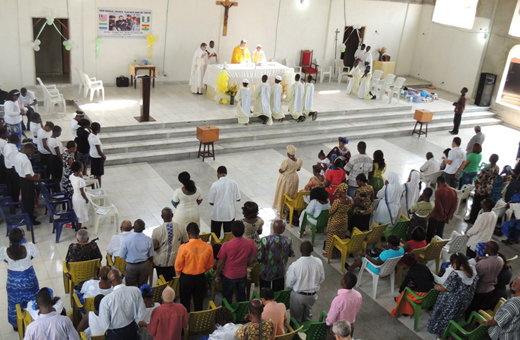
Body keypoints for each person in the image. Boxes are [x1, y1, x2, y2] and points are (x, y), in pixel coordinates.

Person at [427, 253, 478, 338]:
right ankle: (448, 332)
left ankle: (441, 334)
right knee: (453, 316)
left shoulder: (456, 274)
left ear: (454, 264)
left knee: (444, 316)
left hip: (451, 301)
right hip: (465, 299)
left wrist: (438, 288)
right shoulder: (472, 269)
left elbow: (447, 288)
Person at [0, 228, 39, 331]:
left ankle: (16, 325)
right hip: (29, 279)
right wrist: (26, 261)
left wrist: (12, 262)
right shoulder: (29, 247)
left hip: (13, 281)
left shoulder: (5, 250)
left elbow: (4, 259)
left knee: (14, 303)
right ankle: (33, 319)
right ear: (22, 238)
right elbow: (35, 255)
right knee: (32, 298)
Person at [175, 222, 213, 312]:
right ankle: (197, 321)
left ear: (188, 234)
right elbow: (210, 265)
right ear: (198, 232)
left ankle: (186, 321)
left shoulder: (184, 248)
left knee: (185, 301)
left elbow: (178, 266)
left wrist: (182, 275)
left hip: (186, 278)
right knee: (199, 301)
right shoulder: (208, 247)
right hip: (200, 278)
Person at [216, 221, 258, 302]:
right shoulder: (250, 242)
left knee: (227, 296)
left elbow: (220, 263)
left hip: (228, 275)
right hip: (242, 274)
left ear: (232, 233)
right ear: (243, 231)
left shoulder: (226, 245)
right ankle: (241, 312)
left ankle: (228, 312)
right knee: (241, 294)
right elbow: (253, 256)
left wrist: (218, 274)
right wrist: (247, 263)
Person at [98, 269, 144, 340]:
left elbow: (104, 325)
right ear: (122, 277)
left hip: (115, 334)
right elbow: (141, 313)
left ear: (110, 282)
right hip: (131, 330)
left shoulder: (106, 300)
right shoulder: (135, 291)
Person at [286, 241, 325, 323]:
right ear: (312, 250)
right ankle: (307, 332)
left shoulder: (295, 265)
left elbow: (289, 283)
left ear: (300, 250)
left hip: (298, 295)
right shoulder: (318, 262)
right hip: (312, 296)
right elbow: (322, 278)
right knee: (308, 316)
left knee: (296, 319)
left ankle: (296, 334)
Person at [466, 241, 504, 316]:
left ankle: (468, 322)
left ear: (489, 250)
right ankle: (475, 320)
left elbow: (474, 276)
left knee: (472, 308)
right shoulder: (500, 260)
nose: (484, 248)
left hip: (480, 289)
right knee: (480, 307)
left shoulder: (483, 263)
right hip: (490, 289)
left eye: (486, 247)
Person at [257, 220, 295, 292]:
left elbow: (259, 257)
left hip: (265, 272)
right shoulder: (288, 240)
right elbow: (291, 254)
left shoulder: (265, 240)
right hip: (279, 272)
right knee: (278, 294)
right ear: (282, 230)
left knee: (265, 294)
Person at [152, 207, 188, 282]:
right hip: (175, 260)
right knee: (172, 280)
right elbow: (186, 242)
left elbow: (154, 247)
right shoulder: (181, 228)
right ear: (172, 215)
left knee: (162, 281)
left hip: (160, 262)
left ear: (162, 217)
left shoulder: (156, 231)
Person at [208, 165, 241, 238]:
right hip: (229, 214)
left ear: (218, 173)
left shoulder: (215, 185)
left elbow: (211, 202)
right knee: (228, 236)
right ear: (226, 173)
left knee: (215, 236)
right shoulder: (233, 183)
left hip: (217, 214)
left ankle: (216, 248)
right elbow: (238, 198)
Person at [466, 154, 500, 224]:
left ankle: (472, 219)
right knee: (483, 206)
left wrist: (476, 184)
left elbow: (480, 179)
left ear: (490, 159)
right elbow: (495, 176)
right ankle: (479, 219)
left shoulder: (486, 169)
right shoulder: (497, 168)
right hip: (488, 188)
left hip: (481, 189)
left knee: (476, 205)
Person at [121, 219, 154, 287]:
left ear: (133, 227)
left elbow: (122, 255)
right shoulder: (148, 239)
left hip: (131, 267)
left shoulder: (127, 239)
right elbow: (151, 255)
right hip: (144, 266)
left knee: (130, 287)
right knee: (142, 287)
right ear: (144, 228)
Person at [14, 142, 41, 225]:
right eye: (32, 151)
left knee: (26, 199)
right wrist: (36, 179)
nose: (32, 153)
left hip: (21, 179)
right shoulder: (25, 160)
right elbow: (28, 175)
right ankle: (30, 219)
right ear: (28, 149)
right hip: (27, 181)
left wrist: (33, 174)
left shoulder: (18, 155)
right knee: (29, 200)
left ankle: (28, 216)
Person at [325, 183, 353, 258]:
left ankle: (330, 254)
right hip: (344, 221)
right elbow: (350, 208)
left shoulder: (337, 201)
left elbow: (331, 211)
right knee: (340, 238)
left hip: (335, 222)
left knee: (331, 239)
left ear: (340, 191)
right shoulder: (350, 200)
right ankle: (338, 253)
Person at [272, 145, 303, 213]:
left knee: (283, 192)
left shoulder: (286, 161)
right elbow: (298, 169)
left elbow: (281, 170)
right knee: (291, 192)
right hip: (294, 177)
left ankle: (281, 208)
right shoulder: (299, 160)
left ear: (288, 154)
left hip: (286, 178)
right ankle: (288, 207)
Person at [426, 176, 457, 242]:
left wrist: (443, 215)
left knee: (430, 233)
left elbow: (438, 205)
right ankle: (437, 248)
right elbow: (454, 205)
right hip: (444, 218)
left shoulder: (438, 191)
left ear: (439, 182)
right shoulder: (453, 191)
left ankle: (428, 248)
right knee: (439, 233)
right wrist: (448, 217)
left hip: (436, 216)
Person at [69, 161, 89, 229]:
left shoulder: (71, 176)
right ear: (81, 169)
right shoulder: (80, 181)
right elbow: (82, 192)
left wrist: (80, 175)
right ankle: (79, 228)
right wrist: (86, 199)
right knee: (80, 214)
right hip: (80, 199)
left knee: (77, 212)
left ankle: (75, 226)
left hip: (75, 197)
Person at [4, 134, 21, 202]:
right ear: (16, 140)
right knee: (16, 186)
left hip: (9, 168)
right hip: (12, 170)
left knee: (14, 185)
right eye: (19, 138)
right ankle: (15, 201)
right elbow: (14, 163)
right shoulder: (12, 149)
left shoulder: (9, 145)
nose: (19, 139)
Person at [89, 122, 106, 187]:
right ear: (97, 130)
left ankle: (93, 186)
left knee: (94, 172)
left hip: (92, 155)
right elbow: (99, 151)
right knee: (98, 174)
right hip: (97, 157)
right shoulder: (95, 139)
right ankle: (98, 187)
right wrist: (104, 156)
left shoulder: (90, 135)